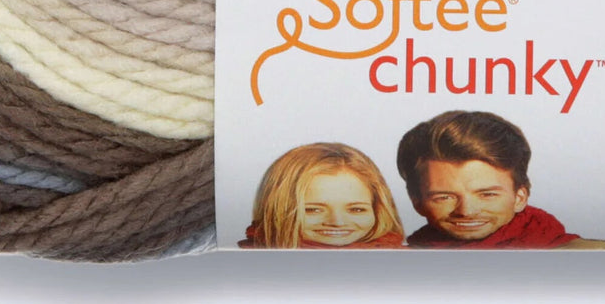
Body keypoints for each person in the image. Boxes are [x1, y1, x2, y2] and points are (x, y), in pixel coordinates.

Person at [395, 110, 579, 248]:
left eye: (487, 194)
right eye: (444, 197)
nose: (467, 211)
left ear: (519, 198)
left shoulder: (582, 259)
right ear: (416, 202)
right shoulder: (402, 261)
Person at [242, 143, 405, 248]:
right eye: (313, 210)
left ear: (378, 209)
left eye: (356, 209)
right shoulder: (246, 264)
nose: (337, 222)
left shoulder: (404, 264)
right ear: (278, 210)